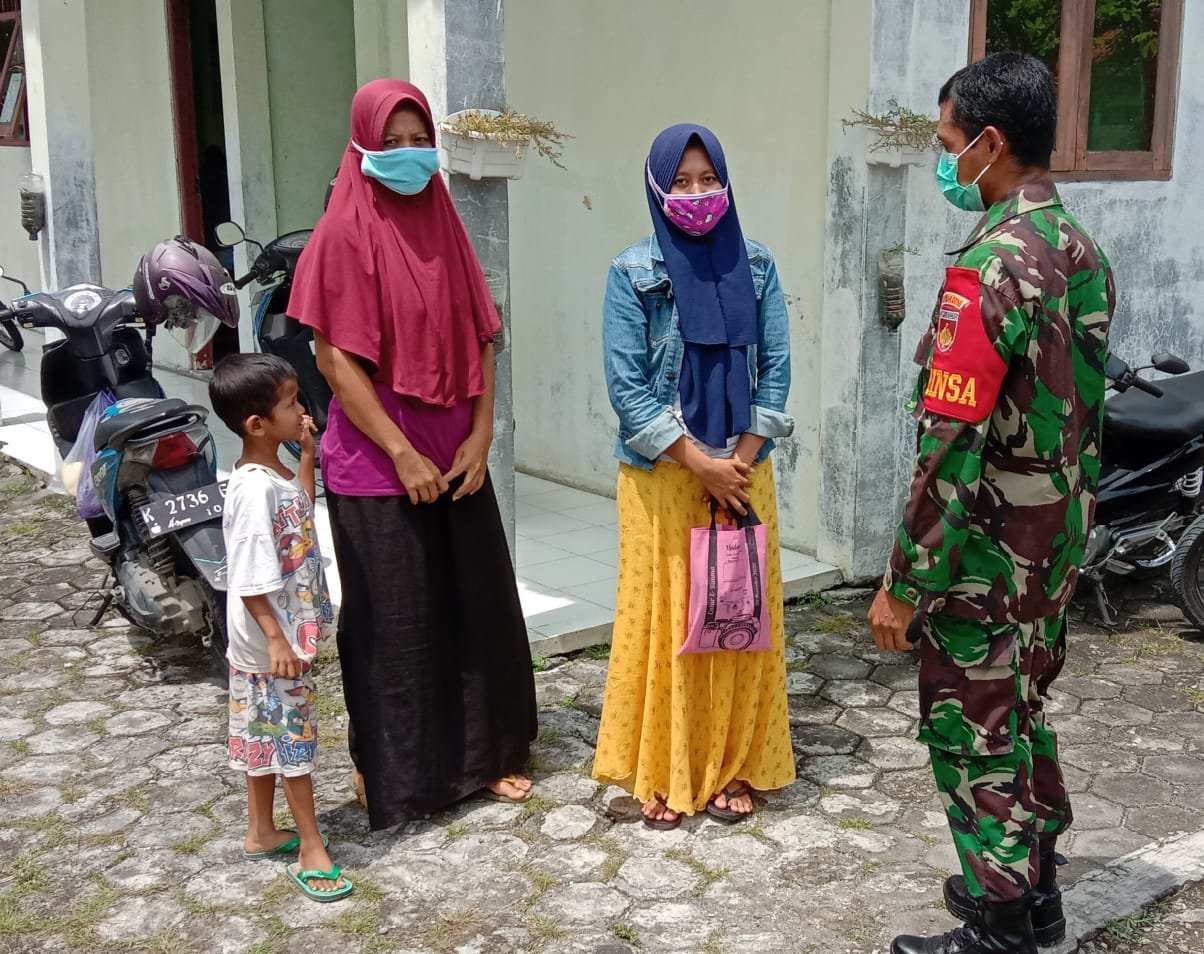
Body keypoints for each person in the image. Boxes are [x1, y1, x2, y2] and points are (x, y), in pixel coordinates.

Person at [867, 53, 1114, 954]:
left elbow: (950, 443)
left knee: (970, 727)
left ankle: (1001, 924)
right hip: (1055, 543)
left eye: (948, 144)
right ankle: (1035, 890)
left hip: (989, 554)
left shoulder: (989, 267)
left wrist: (905, 582)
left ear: (990, 143)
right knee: (1024, 706)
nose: (945, 161)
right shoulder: (1079, 248)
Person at [287, 79, 538, 831]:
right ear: (362, 146)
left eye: (418, 140)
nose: (407, 154)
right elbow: (334, 360)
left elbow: (484, 336)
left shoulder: (445, 224)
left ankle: (487, 757)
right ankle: (392, 773)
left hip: (458, 456)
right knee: (396, 628)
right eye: (390, 142)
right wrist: (400, 452)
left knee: (477, 609)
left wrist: (483, 433)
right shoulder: (341, 236)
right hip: (377, 466)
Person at [592, 124, 796, 830]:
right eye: (680, 181)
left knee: (738, 616)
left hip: (743, 470)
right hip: (666, 474)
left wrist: (738, 458)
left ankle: (734, 763)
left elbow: (776, 368)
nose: (697, 193)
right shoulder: (631, 272)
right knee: (666, 623)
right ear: (657, 188)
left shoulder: (758, 264)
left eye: (709, 179)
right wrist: (700, 462)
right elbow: (627, 388)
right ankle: (664, 768)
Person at [209, 353, 351, 903]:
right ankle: (311, 847)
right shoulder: (251, 492)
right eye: (291, 404)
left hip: (280, 641)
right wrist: (276, 639)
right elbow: (247, 578)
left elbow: (300, 504)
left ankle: (261, 831)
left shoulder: (274, 479)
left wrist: (308, 455)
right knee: (292, 744)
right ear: (256, 424)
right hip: (273, 646)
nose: (302, 410)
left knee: (263, 737)